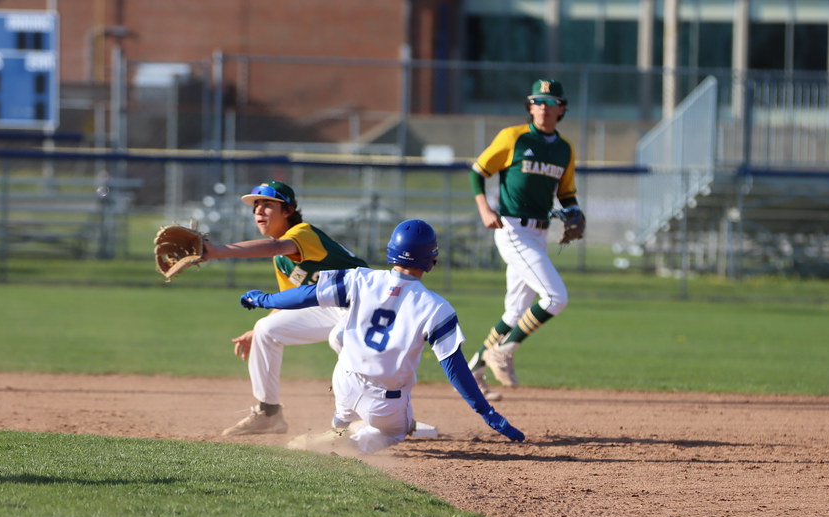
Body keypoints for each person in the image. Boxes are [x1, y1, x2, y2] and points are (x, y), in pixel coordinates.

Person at [237, 219, 525, 455]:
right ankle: (350, 446)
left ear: (391, 252)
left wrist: (264, 299)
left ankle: (337, 427)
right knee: (394, 431)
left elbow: (306, 295)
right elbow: (455, 368)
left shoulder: (361, 278)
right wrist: (486, 412)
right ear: (432, 260)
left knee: (342, 347)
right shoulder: (436, 307)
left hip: (344, 382)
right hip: (384, 402)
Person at [200, 180, 368, 436]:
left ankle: (379, 415)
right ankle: (269, 414)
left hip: (364, 305)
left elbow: (276, 245)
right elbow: (289, 298)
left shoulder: (303, 233)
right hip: (331, 307)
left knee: (343, 341)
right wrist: (256, 332)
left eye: (268, 205)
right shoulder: (282, 260)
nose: (259, 211)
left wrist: (216, 251)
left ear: (288, 210)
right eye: (256, 206)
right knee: (266, 330)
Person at [467, 78, 586, 396]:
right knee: (555, 298)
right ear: (530, 106)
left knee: (514, 313)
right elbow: (478, 172)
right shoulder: (513, 138)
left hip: (539, 233)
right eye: (538, 102)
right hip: (513, 230)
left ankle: (472, 372)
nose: (543, 108)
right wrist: (484, 209)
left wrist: (576, 212)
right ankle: (502, 352)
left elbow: (567, 192)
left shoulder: (564, 149)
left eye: (550, 103)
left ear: (561, 109)